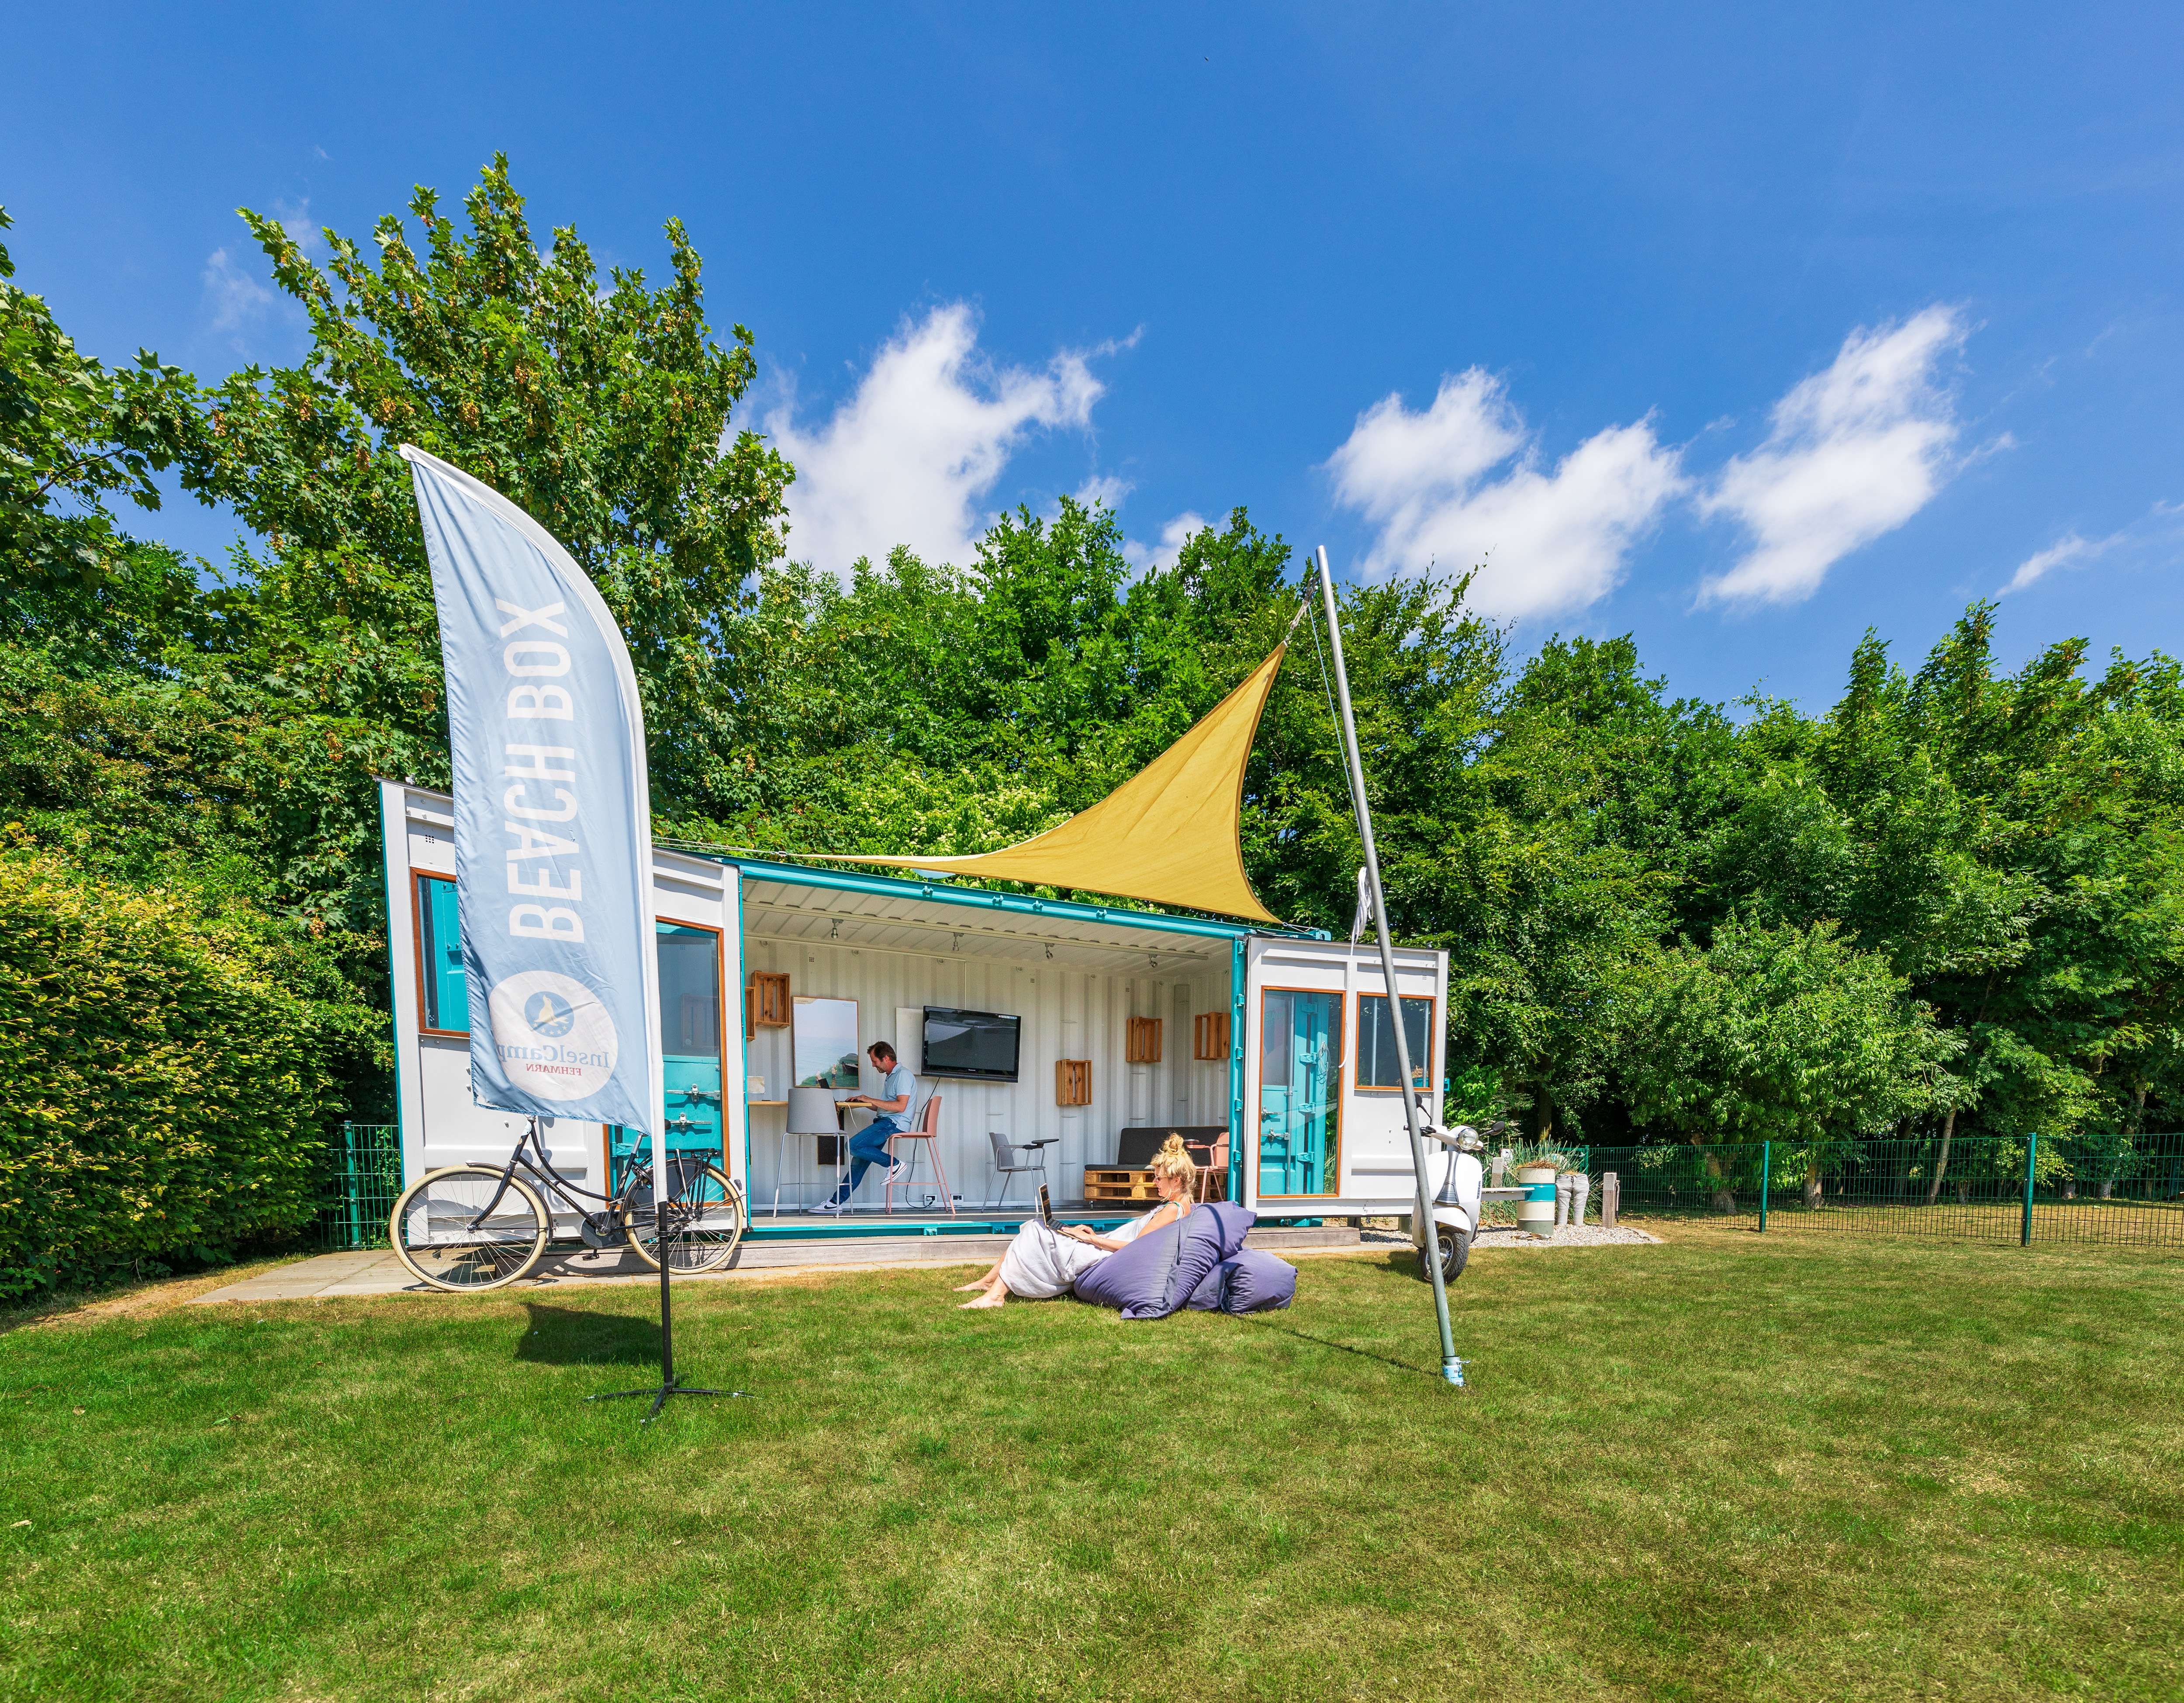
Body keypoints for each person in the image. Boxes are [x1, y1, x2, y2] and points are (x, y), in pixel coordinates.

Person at [956, 1132, 1199, 1309]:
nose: (1155, 1182)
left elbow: (1135, 1247)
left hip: (1104, 1255)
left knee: (1035, 1231)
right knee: (1038, 1227)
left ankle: (995, 1296)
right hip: (1102, 1245)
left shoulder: (1173, 1210)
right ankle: (989, 1282)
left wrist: (1092, 1240)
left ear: (1176, 1181)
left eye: (1159, 1179)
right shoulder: (1176, 1206)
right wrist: (1092, 1236)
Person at [812, 1041, 916, 1213]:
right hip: (885, 1122)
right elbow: (886, 1106)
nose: (874, 1065)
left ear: (886, 1058)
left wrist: (871, 1099)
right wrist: (864, 1103)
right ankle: (835, 1203)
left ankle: (895, 1164)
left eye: (875, 1061)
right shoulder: (891, 1076)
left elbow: (900, 1107)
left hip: (893, 1124)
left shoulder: (903, 1075)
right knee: (857, 1165)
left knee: (852, 1146)